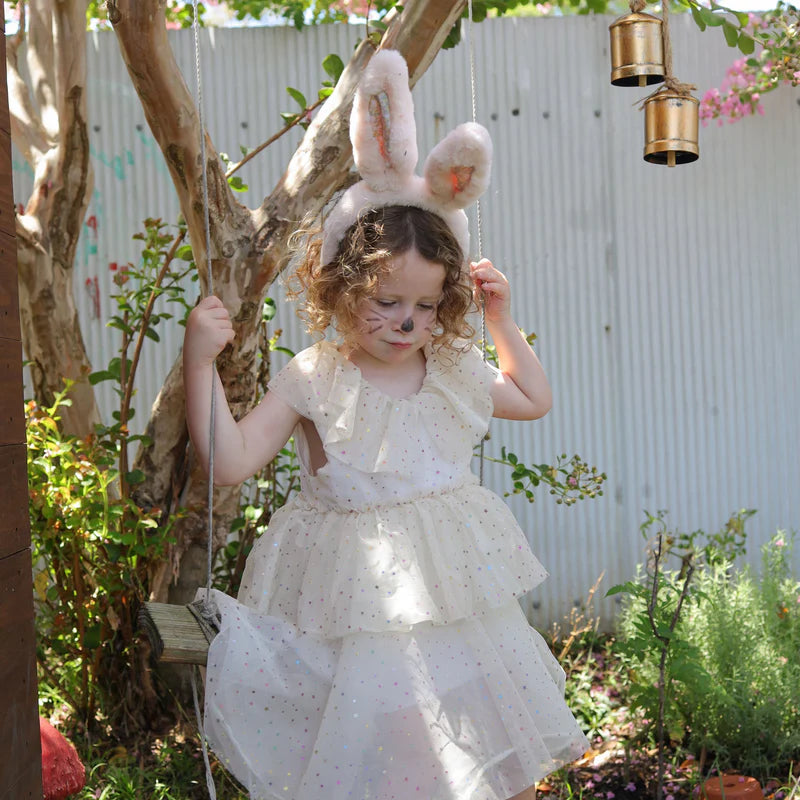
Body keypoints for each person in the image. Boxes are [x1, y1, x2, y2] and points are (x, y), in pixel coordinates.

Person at [183, 50, 588, 800]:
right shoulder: (316, 376)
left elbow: (532, 398)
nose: (406, 322)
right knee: (363, 738)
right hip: (349, 592)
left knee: (445, 735)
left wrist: (502, 320)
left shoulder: (454, 368)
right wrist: (199, 363)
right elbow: (232, 459)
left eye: (426, 305)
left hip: (445, 593)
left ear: (447, 302)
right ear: (339, 287)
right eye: (386, 301)